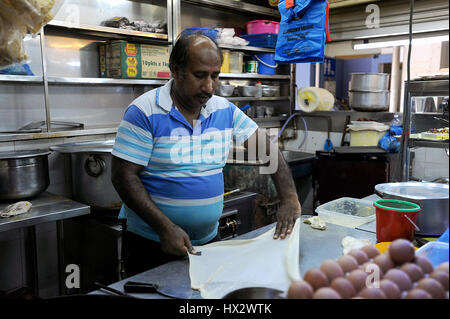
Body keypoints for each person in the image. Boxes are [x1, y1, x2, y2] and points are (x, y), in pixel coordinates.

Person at [111, 33, 302, 276]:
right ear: (175, 70)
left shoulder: (225, 110)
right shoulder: (143, 111)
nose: (209, 87)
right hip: (152, 242)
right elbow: (123, 177)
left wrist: (288, 197)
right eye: (200, 75)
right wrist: (164, 227)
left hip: (209, 239)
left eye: (215, 76)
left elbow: (267, 149)